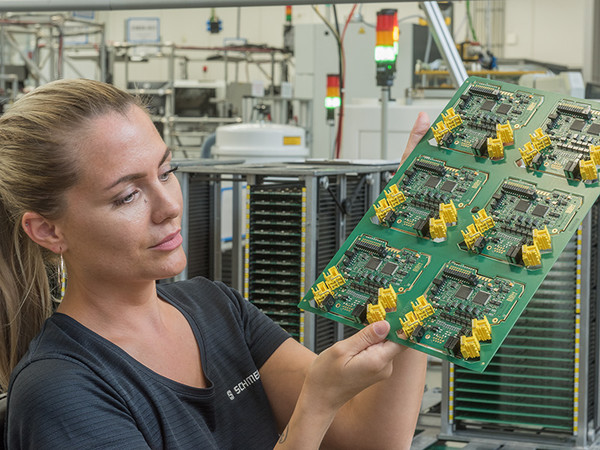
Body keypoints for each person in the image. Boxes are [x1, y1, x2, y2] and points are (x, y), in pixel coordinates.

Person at [0, 78, 429, 449]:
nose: (169, 206)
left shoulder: (216, 309)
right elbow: (326, 413)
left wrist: (421, 248)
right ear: (47, 231)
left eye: (166, 171)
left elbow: (373, 439)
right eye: (128, 195)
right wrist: (314, 407)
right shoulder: (61, 392)